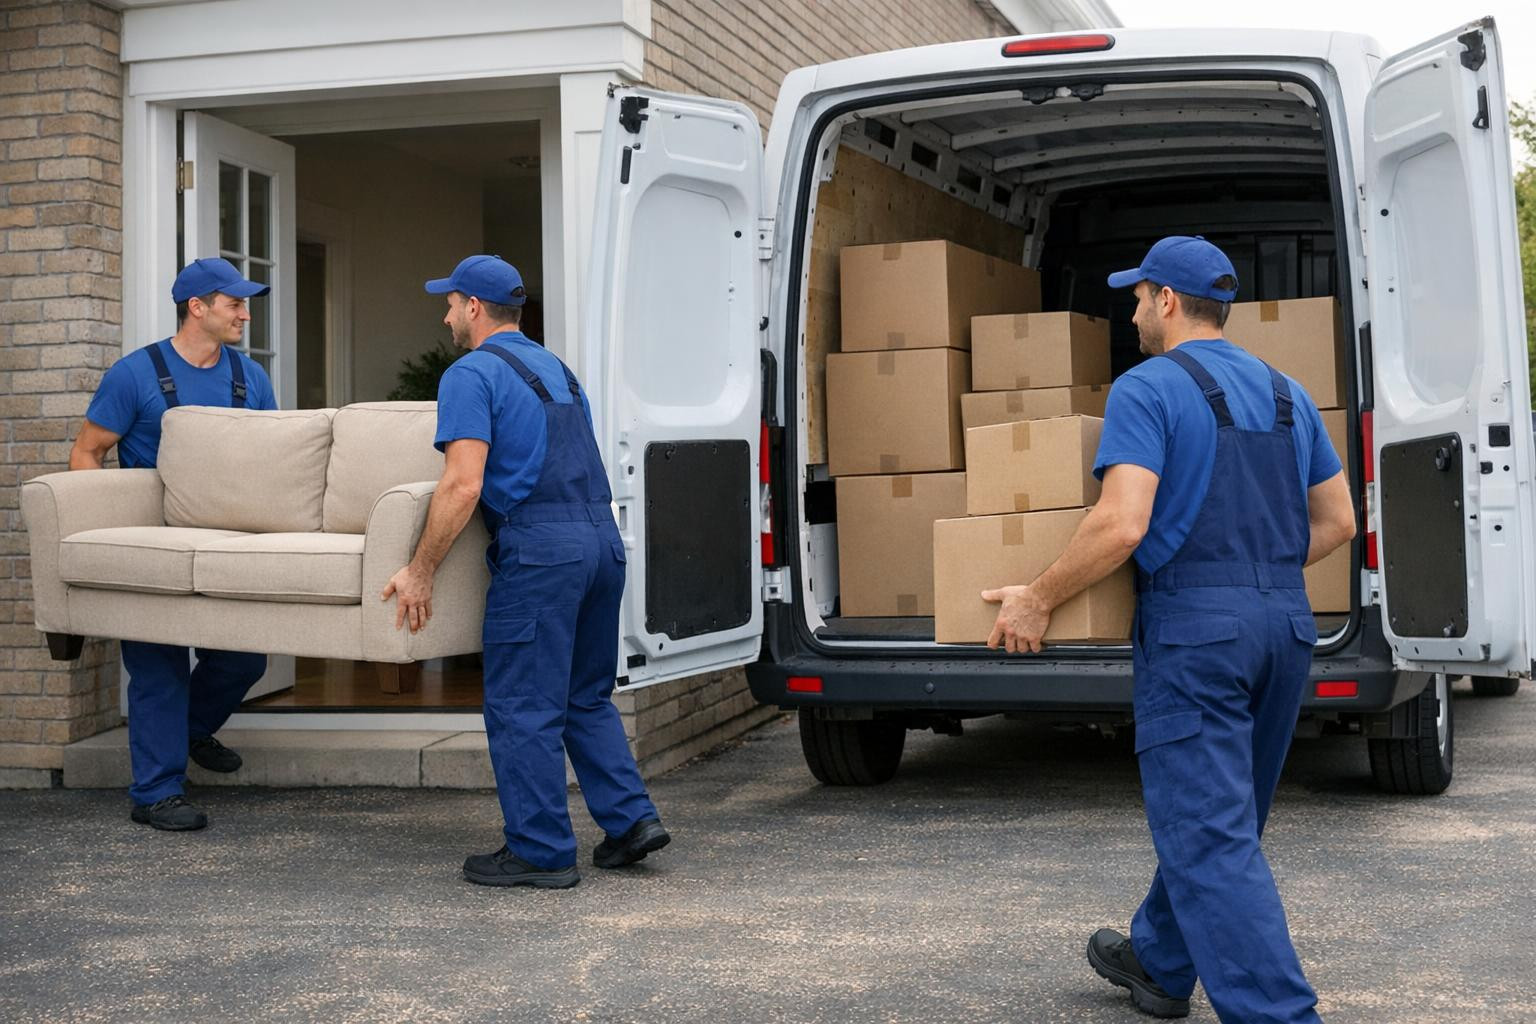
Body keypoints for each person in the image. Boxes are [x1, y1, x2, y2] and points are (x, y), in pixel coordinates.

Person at [982, 237, 1355, 1022]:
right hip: (1283, 623)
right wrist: (1257, 571)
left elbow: (1121, 524)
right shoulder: (1288, 392)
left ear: (1168, 301)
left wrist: (1039, 598)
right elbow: (1339, 522)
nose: (1132, 314)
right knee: (1223, 817)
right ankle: (1159, 957)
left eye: (1138, 298)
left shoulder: (1147, 387)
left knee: (1211, 836)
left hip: (1198, 632)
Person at [384, 254, 669, 889]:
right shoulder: (558, 371)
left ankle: (540, 850)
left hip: (542, 553)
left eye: (450, 303)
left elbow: (462, 484)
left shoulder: (470, 373)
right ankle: (630, 823)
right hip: (601, 543)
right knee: (584, 696)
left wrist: (420, 569)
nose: (446, 316)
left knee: (522, 705)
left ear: (474, 307)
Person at [69, 257, 278, 832]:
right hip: (153, 544)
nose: (245, 314)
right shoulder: (134, 375)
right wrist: (106, 529)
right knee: (158, 665)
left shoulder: (251, 378)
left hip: (228, 540)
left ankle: (188, 729)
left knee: (244, 657)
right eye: (234, 304)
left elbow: (273, 457)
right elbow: (87, 451)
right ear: (197, 307)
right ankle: (157, 792)